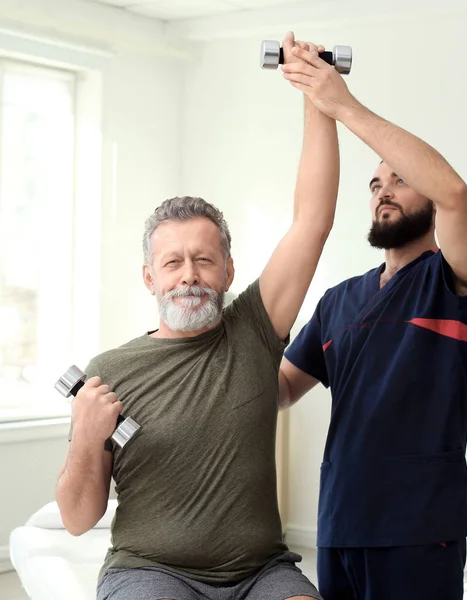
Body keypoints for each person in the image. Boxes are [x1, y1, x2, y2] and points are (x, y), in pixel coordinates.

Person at [56, 34, 339, 600]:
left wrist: (317, 92)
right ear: (150, 278)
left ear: (228, 270)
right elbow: (78, 519)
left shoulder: (254, 330)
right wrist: (88, 438)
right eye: (173, 262)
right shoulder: (108, 371)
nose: (189, 275)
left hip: (261, 571)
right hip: (149, 572)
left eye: (204, 260)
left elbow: (313, 219)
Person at [279, 46, 467, 600]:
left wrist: (341, 104)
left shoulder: (454, 281)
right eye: (376, 185)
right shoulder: (338, 300)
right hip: (342, 522)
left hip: (419, 528)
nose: (384, 192)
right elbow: (279, 389)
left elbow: (454, 192)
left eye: (399, 179)